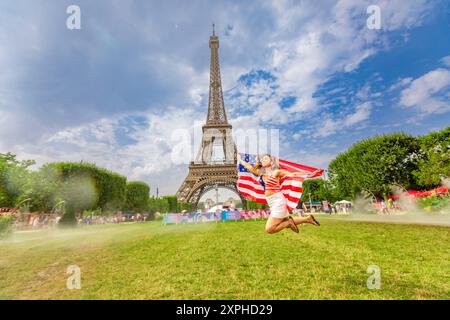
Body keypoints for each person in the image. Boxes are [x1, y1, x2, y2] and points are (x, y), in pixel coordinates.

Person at [237, 153, 320, 234]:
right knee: (283, 221)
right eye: (262, 159)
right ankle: (307, 219)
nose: (263, 160)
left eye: (266, 158)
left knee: (269, 229)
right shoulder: (261, 173)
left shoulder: (276, 172)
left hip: (278, 201)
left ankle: (289, 223)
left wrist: (310, 173)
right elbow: (248, 167)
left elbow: (293, 174)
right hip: (272, 202)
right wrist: (240, 159)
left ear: (271, 161)